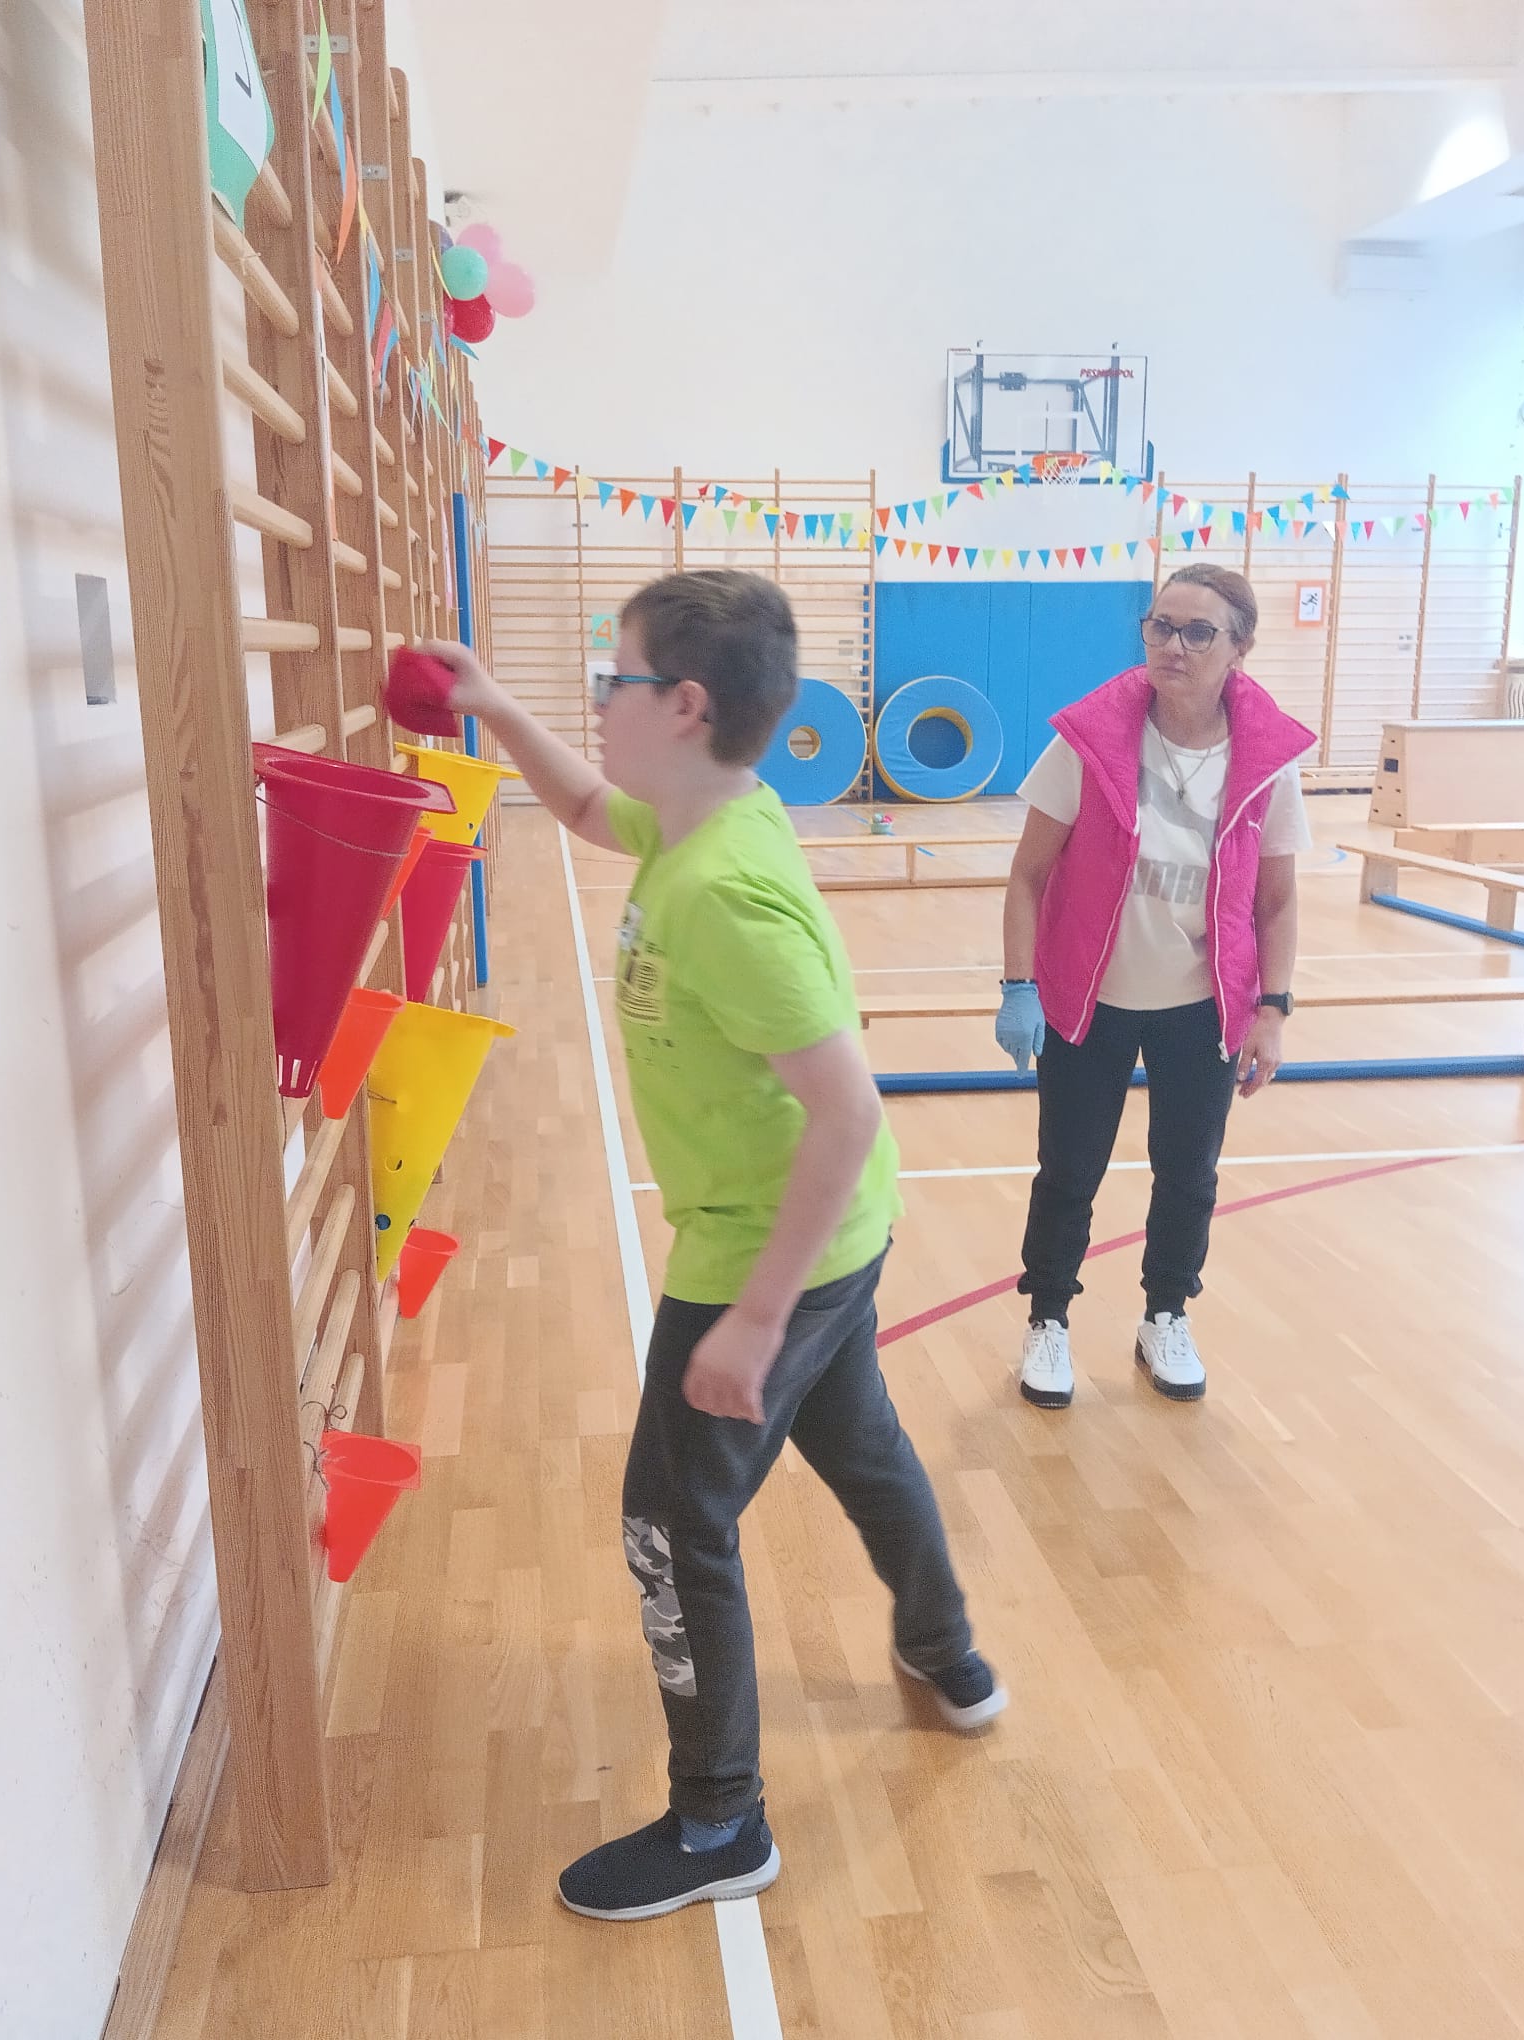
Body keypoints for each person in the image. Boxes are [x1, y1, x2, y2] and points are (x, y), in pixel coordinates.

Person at [404, 571, 1004, 1925]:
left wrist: (755, 1320)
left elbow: (847, 1110)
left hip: (763, 1252)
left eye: (609, 681)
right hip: (829, 1235)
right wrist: (491, 704)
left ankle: (720, 1821)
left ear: (681, 704)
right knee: (862, 1446)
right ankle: (947, 1652)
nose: (596, 702)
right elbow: (581, 809)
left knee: (673, 1526)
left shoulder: (723, 892)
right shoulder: (702, 818)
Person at [996, 565, 1314, 1410]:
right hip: (1088, 1001)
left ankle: (1165, 1313)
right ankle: (1048, 1318)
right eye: (1160, 625)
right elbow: (1028, 875)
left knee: (1188, 1174)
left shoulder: (1267, 762)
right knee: (1069, 1171)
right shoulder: (1089, 740)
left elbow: (1277, 902)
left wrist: (1273, 1010)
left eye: (1198, 631)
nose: (1173, 645)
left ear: (1240, 647)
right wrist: (1019, 985)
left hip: (1202, 1007)